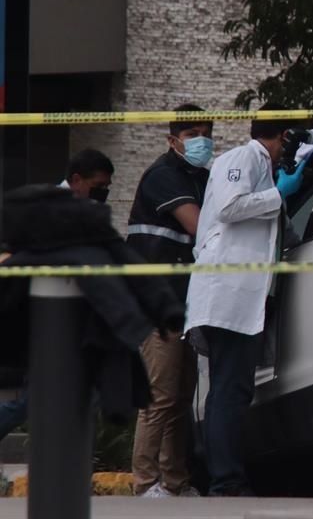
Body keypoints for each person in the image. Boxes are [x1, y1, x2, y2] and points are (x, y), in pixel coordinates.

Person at [184, 102, 305, 497]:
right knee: (229, 391)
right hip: (228, 294)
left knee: (230, 389)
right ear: (283, 137)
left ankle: (226, 477)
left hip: (239, 297)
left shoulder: (263, 168)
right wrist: (278, 194)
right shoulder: (243, 157)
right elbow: (232, 207)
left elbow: (277, 231)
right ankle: (226, 482)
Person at [127, 104, 214, 498]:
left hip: (185, 302)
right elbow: (199, 225)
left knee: (180, 398)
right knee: (160, 397)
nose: (202, 141)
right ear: (172, 139)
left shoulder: (200, 178)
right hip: (157, 302)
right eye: (193, 134)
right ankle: (145, 482)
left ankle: (175, 481)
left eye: (206, 133)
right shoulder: (164, 176)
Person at [0, 149, 115, 443]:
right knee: (36, 398)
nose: (101, 194)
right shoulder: (42, 207)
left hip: (74, 316)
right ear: (76, 180)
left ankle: (70, 462)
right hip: (42, 316)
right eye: (97, 186)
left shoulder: (85, 213)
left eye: (106, 188)